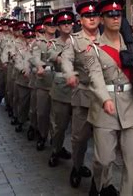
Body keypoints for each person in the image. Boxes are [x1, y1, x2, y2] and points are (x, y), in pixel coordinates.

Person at [85, 0, 133, 195]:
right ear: (102, 19)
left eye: (118, 15)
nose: (115, 19)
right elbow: (95, 77)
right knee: (103, 160)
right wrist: (105, 99)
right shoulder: (93, 48)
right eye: (110, 15)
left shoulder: (132, 46)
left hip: (129, 106)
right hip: (105, 109)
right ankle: (100, 183)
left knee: (131, 162)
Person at [62, 0, 99, 188]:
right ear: (81, 19)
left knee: (105, 142)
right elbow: (67, 60)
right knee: (79, 138)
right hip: (84, 95)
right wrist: (70, 74)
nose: (91, 19)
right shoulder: (74, 40)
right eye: (87, 16)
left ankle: (100, 181)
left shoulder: (110, 38)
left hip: (105, 99)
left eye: (94, 15)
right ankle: (77, 166)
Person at [47, 11, 76, 168]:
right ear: (58, 26)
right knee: (60, 125)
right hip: (61, 89)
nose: (67, 25)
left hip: (79, 88)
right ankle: (56, 150)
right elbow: (53, 57)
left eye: (70, 22)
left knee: (80, 131)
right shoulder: (53, 43)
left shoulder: (79, 41)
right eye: (64, 23)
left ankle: (78, 163)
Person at [31, 14, 57, 151]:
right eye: (49, 25)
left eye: (54, 25)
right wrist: (39, 66)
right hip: (43, 81)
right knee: (42, 113)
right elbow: (34, 57)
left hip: (57, 82)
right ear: (45, 27)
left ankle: (55, 141)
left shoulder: (61, 42)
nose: (52, 28)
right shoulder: (38, 43)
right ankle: (42, 135)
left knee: (56, 115)